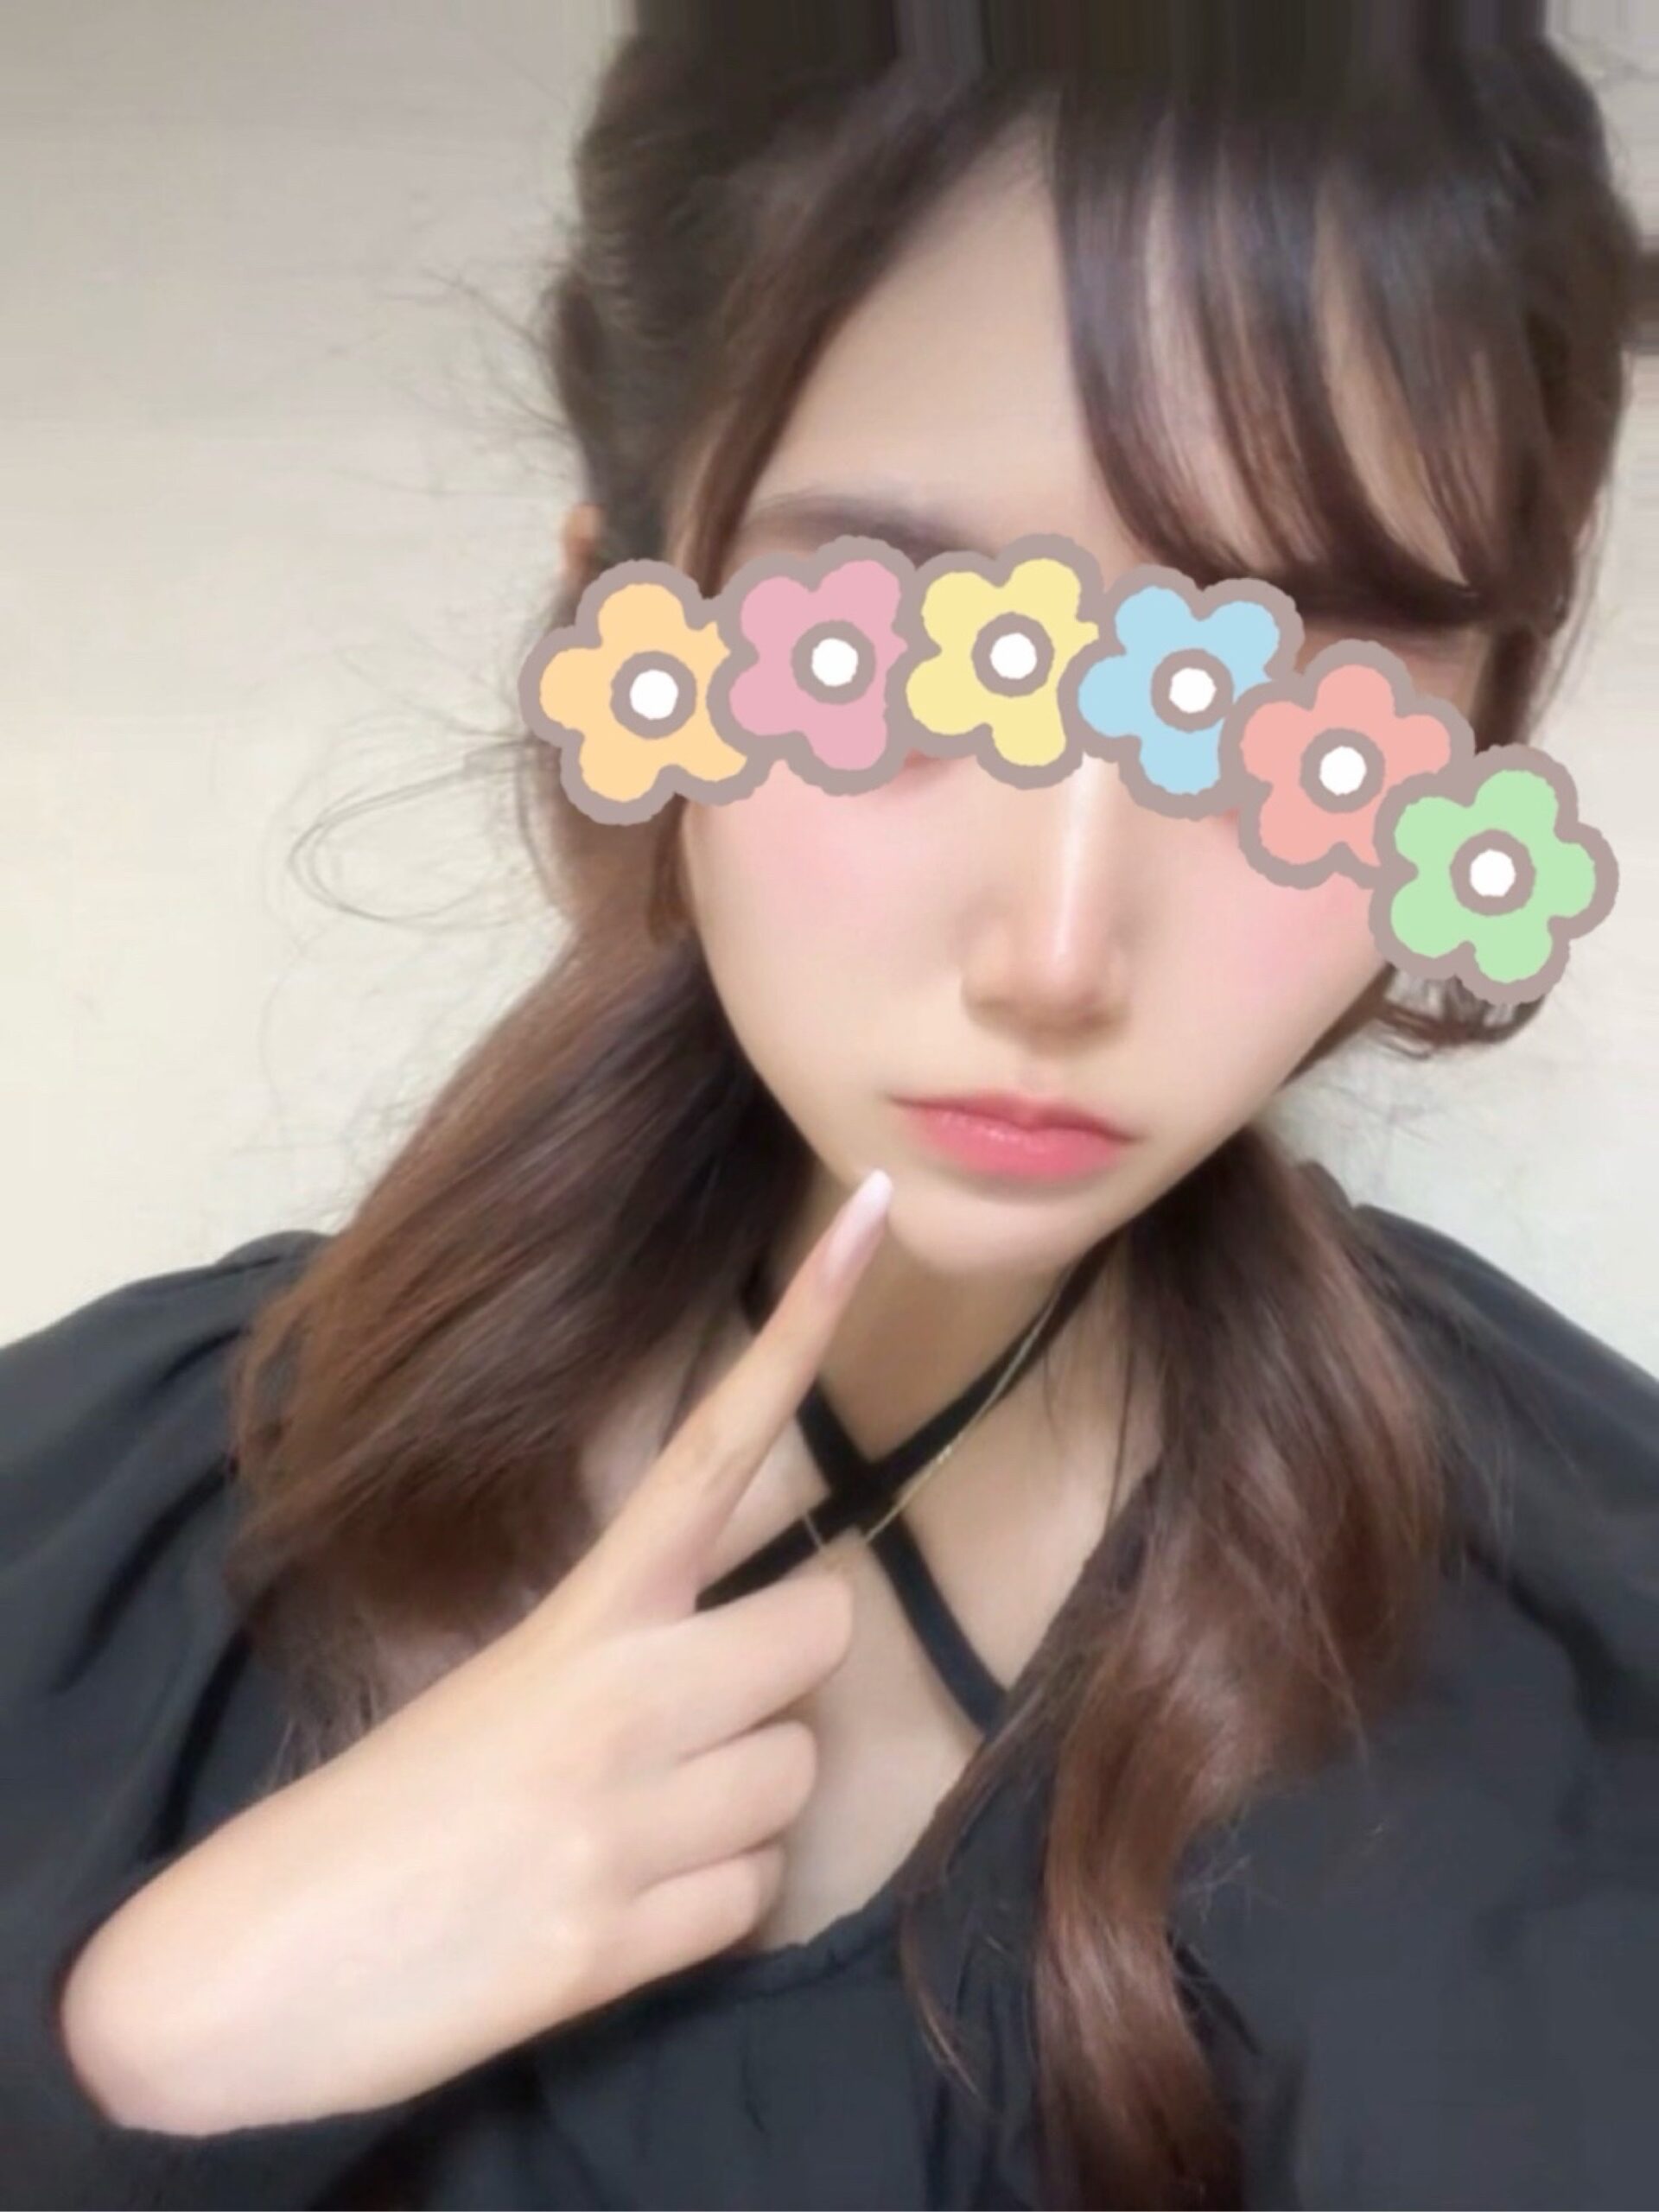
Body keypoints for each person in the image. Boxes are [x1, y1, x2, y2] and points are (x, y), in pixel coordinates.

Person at [3, 3, 1656, 2207]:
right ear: (624, 630)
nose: (1056, 943)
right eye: (898, 645)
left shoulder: (1596, 1643)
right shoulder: (75, 1560)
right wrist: (138, 2060)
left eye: (1292, 714)